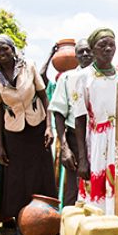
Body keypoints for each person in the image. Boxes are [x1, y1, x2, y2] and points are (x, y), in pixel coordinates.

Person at [0, 34, 56, 228]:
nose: (1, 53)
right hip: (13, 131)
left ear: (12, 49)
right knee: (17, 176)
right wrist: (1, 145)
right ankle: (20, 222)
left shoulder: (29, 66)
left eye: (4, 48)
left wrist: (49, 127)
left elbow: (44, 96)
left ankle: (47, 221)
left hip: (38, 125)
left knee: (41, 171)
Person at [73, 28, 118, 215]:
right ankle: (96, 231)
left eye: (111, 44)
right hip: (97, 139)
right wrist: (82, 159)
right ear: (93, 49)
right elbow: (79, 118)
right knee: (96, 189)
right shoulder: (82, 77)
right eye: (102, 45)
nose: (107, 49)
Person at [48, 39, 93, 206]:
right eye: (81, 52)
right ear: (76, 56)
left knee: (100, 185)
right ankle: (68, 229)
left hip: (100, 137)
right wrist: (65, 148)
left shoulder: (107, 76)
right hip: (75, 138)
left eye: (89, 50)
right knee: (73, 188)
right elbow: (59, 113)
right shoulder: (67, 78)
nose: (86, 54)